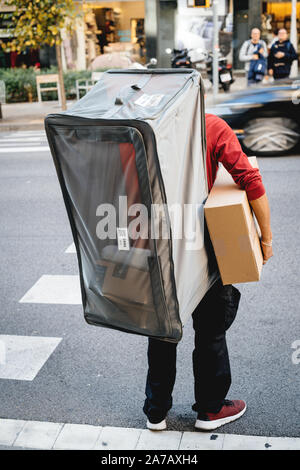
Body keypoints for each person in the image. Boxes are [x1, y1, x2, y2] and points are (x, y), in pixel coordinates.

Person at [143, 113, 273, 432]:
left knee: (162, 329)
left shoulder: (141, 129)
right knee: (211, 328)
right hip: (202, 244)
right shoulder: (210, 125)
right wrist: (266, 238)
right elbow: (249, 179)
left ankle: (156, 412)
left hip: (157, 245)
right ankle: (210, 409)